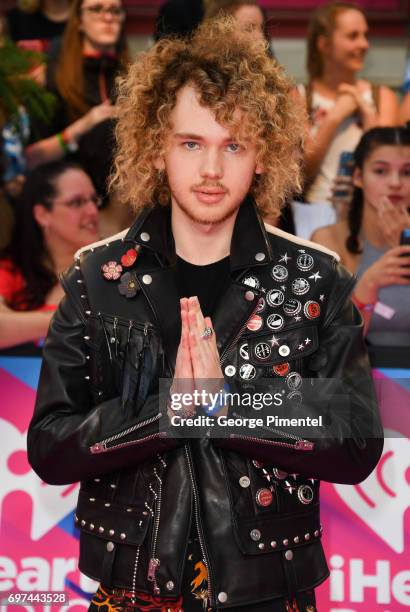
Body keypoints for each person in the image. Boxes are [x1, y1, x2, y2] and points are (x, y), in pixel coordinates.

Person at [28, 18, 383, 611]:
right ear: (155, 146)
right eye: (191, 143)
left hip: (270, 593)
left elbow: (355, 442)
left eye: (234, 145)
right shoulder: (97, 279)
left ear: (263, 154)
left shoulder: (314, 278)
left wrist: (225, 406)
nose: (212, 170)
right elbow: (50, 445)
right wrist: (172, 409)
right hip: (132, 590)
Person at [311, 126, 410, 348]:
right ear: (358, 176)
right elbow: (331, 343)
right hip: (359, 375)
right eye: (381, 171)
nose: (395, 183)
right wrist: (368, 285)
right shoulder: (329, 240)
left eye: (407, 172)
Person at [300, 2, 398, 208]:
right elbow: (300, 175)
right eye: (353, 36)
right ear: (324, 45)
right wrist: (334, 118)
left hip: (368, 214)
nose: (364, 44)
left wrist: (370, 118)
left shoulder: (382, 97)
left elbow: (389, 169)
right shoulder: (300, 97)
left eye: (365, 35)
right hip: (314, 214)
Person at [35, 0, 127, 207]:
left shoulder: (133, 76)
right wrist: (84, 125)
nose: (108, 17)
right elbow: (31, 157)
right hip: (66, 190)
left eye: (115, 10)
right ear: (79, 21)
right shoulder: (53, 77)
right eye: (96, 9)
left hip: (122, 197)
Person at [0, 160, 99, 349]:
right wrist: (73, 319)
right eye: (77, 202)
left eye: (94, 200)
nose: (93, 211)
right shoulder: (13, 268)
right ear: (42, 215)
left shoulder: (113, 263)